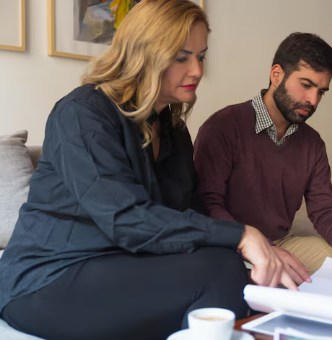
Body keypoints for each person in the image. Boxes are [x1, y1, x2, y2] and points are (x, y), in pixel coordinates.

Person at [0, 1, 295, 340]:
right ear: (143, 54)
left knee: (235, 272)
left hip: (120, 263)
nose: (197, 70)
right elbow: (126, 218)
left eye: (201, 56)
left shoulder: (172, 129)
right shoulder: (82, 115)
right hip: (46, 278)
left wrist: (262, 250)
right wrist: (242, 235)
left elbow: (189, 213)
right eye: (181, 57)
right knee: (218, 270)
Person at [194, 32, 332, 287]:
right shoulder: (223, 127)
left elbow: (324, 208)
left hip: (281, 242)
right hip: (229, 243)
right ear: (276, 75)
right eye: (306, 85)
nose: (313, 101)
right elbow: (207, 204)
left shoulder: (312, 143)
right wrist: (261, 248)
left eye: (321, 92)